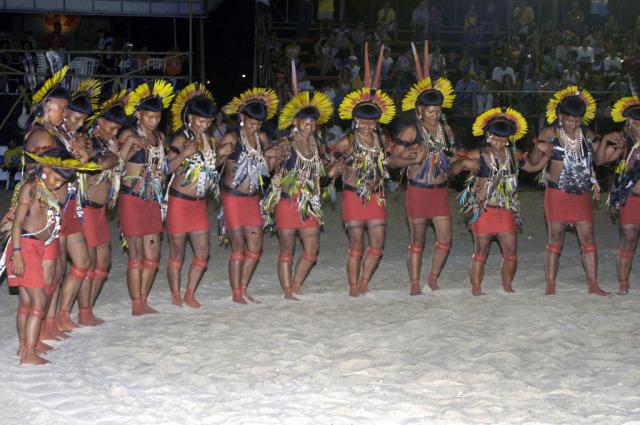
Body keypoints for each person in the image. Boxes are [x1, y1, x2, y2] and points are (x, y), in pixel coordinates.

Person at [388, 42, 475, 295]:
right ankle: (415, 283)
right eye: (429, 111)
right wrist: (413, 160)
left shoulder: (446, 131)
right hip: (417, 191)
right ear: (419, 110)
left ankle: (433, 277)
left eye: (437, 111)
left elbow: (452, 157)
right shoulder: (410, 130)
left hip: (439, 192)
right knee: (417, 242)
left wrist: (464, 162)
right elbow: (392, 161)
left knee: (445, 240)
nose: (434, 115)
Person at [4, 145, 91, 365]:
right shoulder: (30, 188)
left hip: (38, 248)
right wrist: (17, 255)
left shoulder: (48, 188)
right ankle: (29, 352)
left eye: (62, 182)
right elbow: (16, 225)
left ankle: (25, 348)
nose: (58, 184)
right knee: (38, 302)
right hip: (25, 247)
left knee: (27, 303)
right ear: (46, 167)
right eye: (55, 178)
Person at [262, 62, 335, 300]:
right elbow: (267, 163)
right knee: (287, 250)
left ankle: (295, 283)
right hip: (287, 202)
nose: (310, 126)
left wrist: (333, 171)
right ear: (295, 122)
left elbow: (322, 174)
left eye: (313, 123)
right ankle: (287, 290)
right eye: (306, 121)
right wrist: (269, 158)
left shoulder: (317, 145)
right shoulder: (285, 144)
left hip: (310, 204)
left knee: (311, 251)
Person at [526, 86, 608, 296]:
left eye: (577, 120)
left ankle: (593, 283)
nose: (573, 124)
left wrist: (607, 142)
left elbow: (599, 160)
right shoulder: (550, 133)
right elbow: (534, 162)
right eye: (569, 119)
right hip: (557, 194)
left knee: (588, 239)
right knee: (555, 238)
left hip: (581, 194)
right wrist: (539, 148)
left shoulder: (586, 134)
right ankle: (551, 283)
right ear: (560, 116)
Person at [332, 44, 396, 296]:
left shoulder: (382, 140)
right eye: (363, 121)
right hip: (352, 196)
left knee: (377, 244)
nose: (368, 125)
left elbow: (388, 163)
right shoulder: (347, 141)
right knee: (357, 244)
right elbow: (332, 164)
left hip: (377, 196)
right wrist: (337, 165)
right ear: (355, 120)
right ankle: (352, 285)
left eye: (372, 121)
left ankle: (365, 281)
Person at [455, 107, 529, 295]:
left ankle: (507, 284)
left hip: (506, 209)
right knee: (481, 252)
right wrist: (463, 163)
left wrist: (544, 153)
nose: (498, 142)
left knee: (511, 252)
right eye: (495, 138)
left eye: (503, 139)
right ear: (487, 135)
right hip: (484, 210)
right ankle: (476, 287)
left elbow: (533, 166)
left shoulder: (514, 154)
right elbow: (451, 170)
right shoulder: (477, 154)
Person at [218, 87, 279, 303]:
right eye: (252, 122)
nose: (256, 127)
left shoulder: (261, 137)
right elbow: (213, 165)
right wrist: (221, 153)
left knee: (255, 248)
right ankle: (236, 294)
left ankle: (243, 288)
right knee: (238, 248)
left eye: (259, 123)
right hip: (233, 197)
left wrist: (273, 158)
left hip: (252, 198)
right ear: (242, 117)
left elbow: (267, 171)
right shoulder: (232, 137)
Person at [119, 80, 174, 315]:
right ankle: (136, 304)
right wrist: (130, 145)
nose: (154, 121)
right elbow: (116, 166)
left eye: (157, 117)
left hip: (154, 200)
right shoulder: (128, 134)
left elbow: (165, 168)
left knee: (153, 256)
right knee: (137, 255)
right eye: (149, 117)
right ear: (139, 115)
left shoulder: (160, 138)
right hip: (132, 199)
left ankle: (143, 298)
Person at [165, 83, 221, 308]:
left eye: (208, 122)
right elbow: (167, 168)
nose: (204, 125)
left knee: (203, 253)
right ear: (190, 117)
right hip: (179, 202)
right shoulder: (181, 139)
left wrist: (222, 156)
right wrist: (186, 152)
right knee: (177, 254)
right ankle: (176, 294)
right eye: (200, 120)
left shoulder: (210, 141)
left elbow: (209, 168)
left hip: (199, 205)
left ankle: (190, 292)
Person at [55, 80, 103, 330]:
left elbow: (90, 165)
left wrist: (88, 151)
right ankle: (54, 320)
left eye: (81, 120)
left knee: (82, 262)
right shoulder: (55, 135)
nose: (76, 123)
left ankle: (64, 313)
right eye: (73, 117)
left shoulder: (78, 138)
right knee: (58, 268)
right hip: (55, 206)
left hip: (74, 204)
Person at [78, 91, 128, 322]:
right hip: (87, 209)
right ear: (100, 122)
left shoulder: (111, 144)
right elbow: (87, 166)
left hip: (100, 212)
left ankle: (87, 308)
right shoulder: (87, 141)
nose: (114, 133)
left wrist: (125, 145)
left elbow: (119, 163)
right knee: (88, 265)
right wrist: (103, 161)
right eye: (111, 127)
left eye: (118, 129)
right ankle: (83, 312)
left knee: (103, 264)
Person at [593, 96, 640, 294]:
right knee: (628, 238)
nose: (638, 128)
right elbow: (600, 161)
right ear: (628, 124)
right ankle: (623, 282)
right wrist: (605, 140)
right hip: (630, 199)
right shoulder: (624, 143)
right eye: (634, 124)